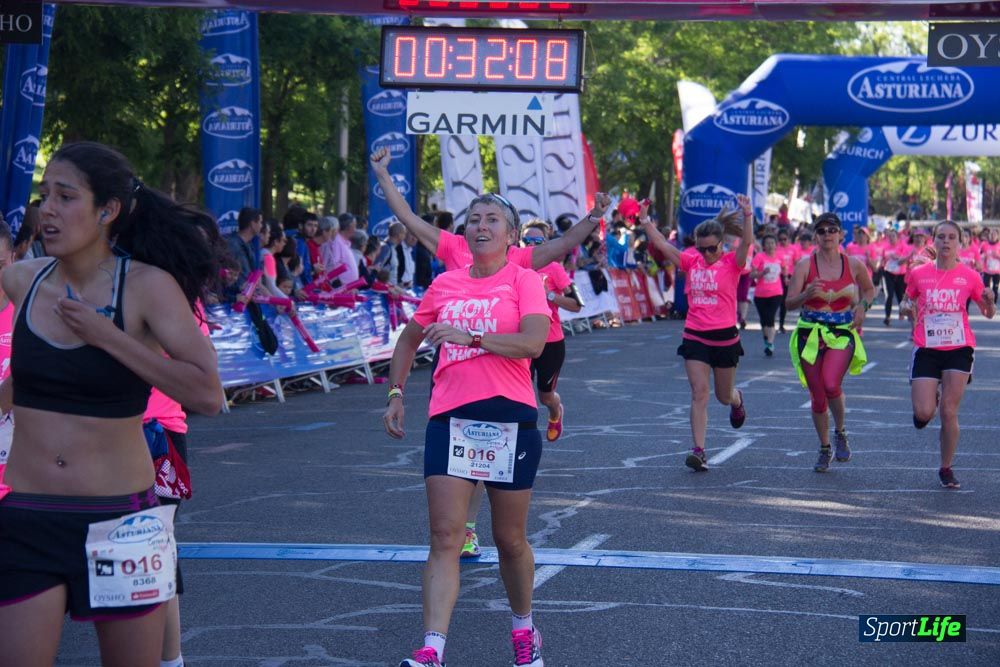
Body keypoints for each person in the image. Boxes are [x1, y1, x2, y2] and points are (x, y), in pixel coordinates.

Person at [0, 141, 223, 666]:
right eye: (43, 194)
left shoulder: (146, 287)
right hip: (29, 514)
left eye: (65, 196)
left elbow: (207, 394)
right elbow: (25, 383)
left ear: (108, 210)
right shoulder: (20, 281)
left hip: (121, 522)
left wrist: (108, 337)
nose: (47, 209)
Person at [383, 192, 550, 667]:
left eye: (492, 219)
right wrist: (396, 394)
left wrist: (471, 337)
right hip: (451, 417)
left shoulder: (524, 280)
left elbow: (533, 343)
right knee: (444, 535)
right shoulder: (445, 283)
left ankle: (524, 629)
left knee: (509, 539)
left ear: (511, 235)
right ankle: (432, 648)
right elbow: (408, 339)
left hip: (509, 417)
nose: (480, 226)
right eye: (473, 219)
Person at [640, 196, 754, 472]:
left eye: (711, 248)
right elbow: (662, 245)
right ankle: (699, 451)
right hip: (696, 335)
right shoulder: (691, 260)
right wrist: (645, 220)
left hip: (725, 337)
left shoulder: (731, 262)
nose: (706, 254)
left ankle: (737, 399)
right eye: (701, 249)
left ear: (722, 243)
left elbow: (747, 243)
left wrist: (748, 214)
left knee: (722, 396)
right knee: (699, 393)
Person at [901, 220, 995, 489]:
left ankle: (946, 467)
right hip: (927, 347)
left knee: (949, 411)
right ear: (934, 240)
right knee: (923, 412)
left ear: (960, 242)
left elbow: (988, 313)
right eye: (941, 237)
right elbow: (907, 300)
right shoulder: (919, 274)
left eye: (952, 237)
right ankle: (929, 401)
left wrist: (989, 300)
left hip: (959, 347)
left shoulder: (970, 276)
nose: (946, 242)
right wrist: (906, 307)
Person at [785, 213, 875, 473]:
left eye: (832, 230)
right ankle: (825, 447)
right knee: (816, 396)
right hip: (810, 334)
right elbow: (789, 303)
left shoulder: (854, 264)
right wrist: (805, 294)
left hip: (841, 332)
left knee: (831, 383)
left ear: (841, 234)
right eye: (822, 231)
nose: (827, 235)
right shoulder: (805, 265)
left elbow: (869, 290)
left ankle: (840, 431)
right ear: (816, 235)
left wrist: (862, 307)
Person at [521, 219, 581, 440]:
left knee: (545, 396)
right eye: (526, 240)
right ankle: (523, 435)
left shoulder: (554, 268)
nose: (531, 245)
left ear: (546, 243)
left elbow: (576, 304)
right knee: (519, 392)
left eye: (537, 241)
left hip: (550, 341)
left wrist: (549, 295)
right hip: (520, 340)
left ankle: (556, 411)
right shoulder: (512, 267)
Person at [750, 234, 784, 356]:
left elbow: (784, 270)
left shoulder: (780, 257)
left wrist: (786, 277)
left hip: (776, 293)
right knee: (764, 321)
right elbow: (751, 275)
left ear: (776, 245)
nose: (770, 245)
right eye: (768, 243)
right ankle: (767, 339)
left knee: (770, 318)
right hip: (760, 294)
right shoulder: (759, 257)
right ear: (764, 245)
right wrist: (761, 273)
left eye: (772, 243)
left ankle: (770, 343)